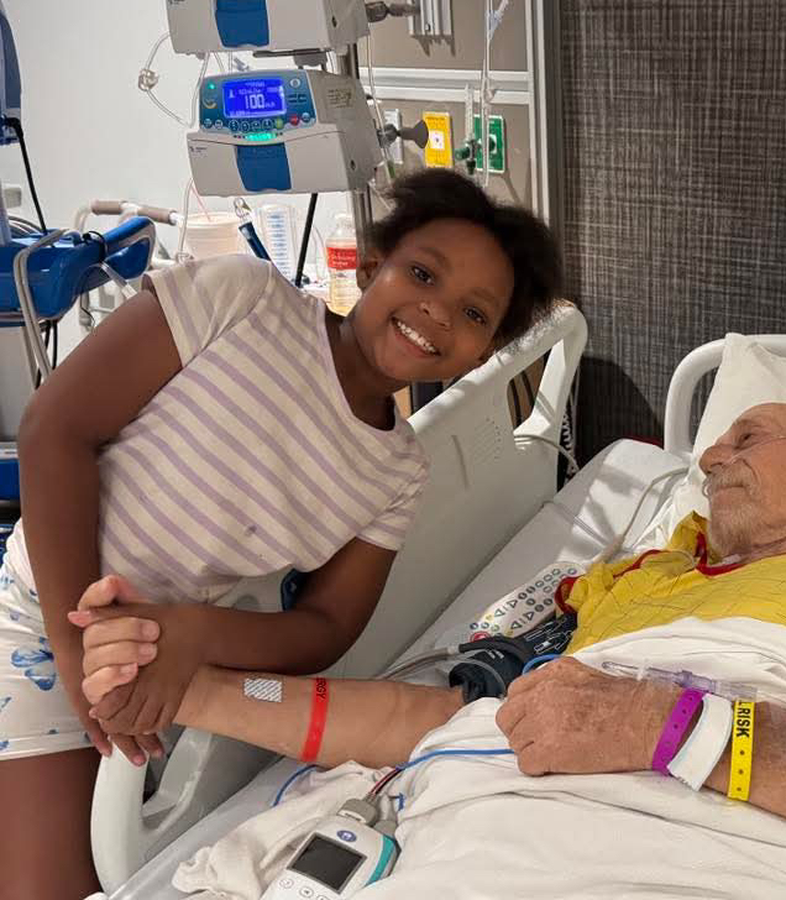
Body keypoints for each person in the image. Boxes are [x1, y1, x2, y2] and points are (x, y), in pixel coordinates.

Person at [76, 398, 786, 888]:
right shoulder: (636, 582)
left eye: (746, 437)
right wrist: (193, 691)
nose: (710, 458)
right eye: (712, 448)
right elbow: (453, 726)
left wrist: (670, 726)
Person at [0, 168, 562, 899]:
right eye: (422, 273)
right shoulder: (242, 298)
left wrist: (191, 635)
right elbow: (54, 430)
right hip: (45, 616)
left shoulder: (397, 472)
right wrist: (78, 650)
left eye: (475, 314)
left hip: (167, 655)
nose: (437, 311)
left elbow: (326, 627)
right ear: (371, 266)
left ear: (482, 353)